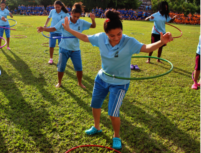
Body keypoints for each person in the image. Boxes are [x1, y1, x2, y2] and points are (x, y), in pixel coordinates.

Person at [61, 10, 174, 150]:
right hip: (102, 78)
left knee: (113, 113)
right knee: (95, 105)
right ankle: (96, 127)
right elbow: (84, 37)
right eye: (112, 35)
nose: (116, 38)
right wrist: (68, 29)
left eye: (119, 34)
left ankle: (116, 136)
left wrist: (161, 42)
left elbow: (146, 48)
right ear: (106, 33)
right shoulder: (101, 38)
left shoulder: (128, 42)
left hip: (120, 83)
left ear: (122, 31)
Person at [37, 2, 96, 88]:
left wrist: (93, 19)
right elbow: (54, 28)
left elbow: (93, 26)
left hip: (75, 49)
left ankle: (80, 83)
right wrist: (44, 28)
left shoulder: (81, 22)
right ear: (71, 13)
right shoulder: (65, 20)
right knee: (61, 67)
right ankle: (59, 82)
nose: (76, 18)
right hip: (64, 48)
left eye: (78, 17)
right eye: (74, 16)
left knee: (79, 68)